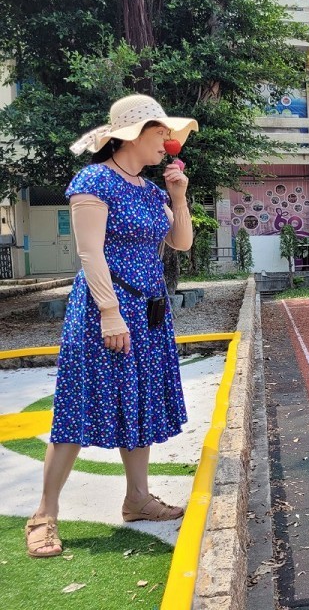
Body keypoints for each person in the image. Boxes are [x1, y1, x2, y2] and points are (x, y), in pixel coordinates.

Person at [25, 94, 198, 558]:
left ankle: (137, 499)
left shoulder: (151, 189)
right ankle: (44, 514)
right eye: (161, 133)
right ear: (134, 135)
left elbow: (180, 243)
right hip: (108, 309)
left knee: (138, 401)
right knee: (78, 407)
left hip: (148, 311)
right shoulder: (93, 181)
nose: (168, 142)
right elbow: (90, 253)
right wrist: (109, 311)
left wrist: (178, 197)